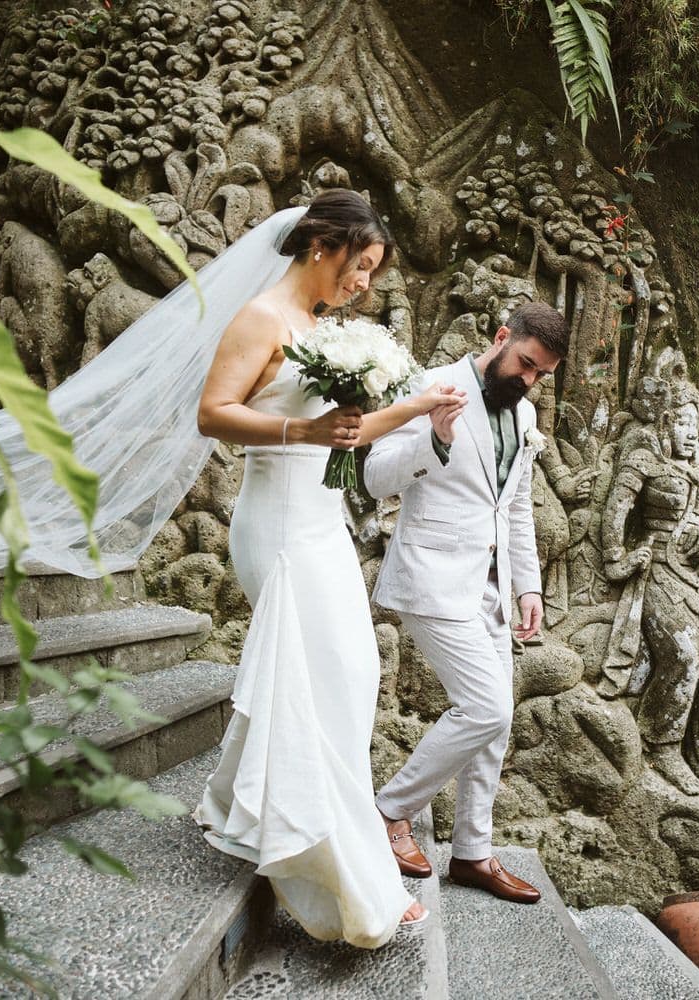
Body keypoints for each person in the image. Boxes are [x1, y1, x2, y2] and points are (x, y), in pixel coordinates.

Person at [191, 190, 467, 948]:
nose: (365, 284)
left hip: (319, 525)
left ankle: (265, 816)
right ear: (324, 248)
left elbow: (340, 435)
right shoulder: (261, 318)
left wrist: (418, 405)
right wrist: (298, 426)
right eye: (362, 266)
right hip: (275, 524)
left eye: (373, 272)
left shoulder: (321, 331)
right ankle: (336, 873)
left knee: (350, 677)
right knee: (323, 681)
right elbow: (213, 412)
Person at [364, 302, 568, 905]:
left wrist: (527, 585)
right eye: (525, 364)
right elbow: (375, 475)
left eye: (540, 375)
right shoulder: (432, 386)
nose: (528, 381)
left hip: (492, 588)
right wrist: (434, 438)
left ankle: (472, 852)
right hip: (431, 576)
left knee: (493, 728)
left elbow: (517, 508)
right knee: (487, 708)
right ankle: (389, 810)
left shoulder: (524, 413)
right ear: (503, 337)